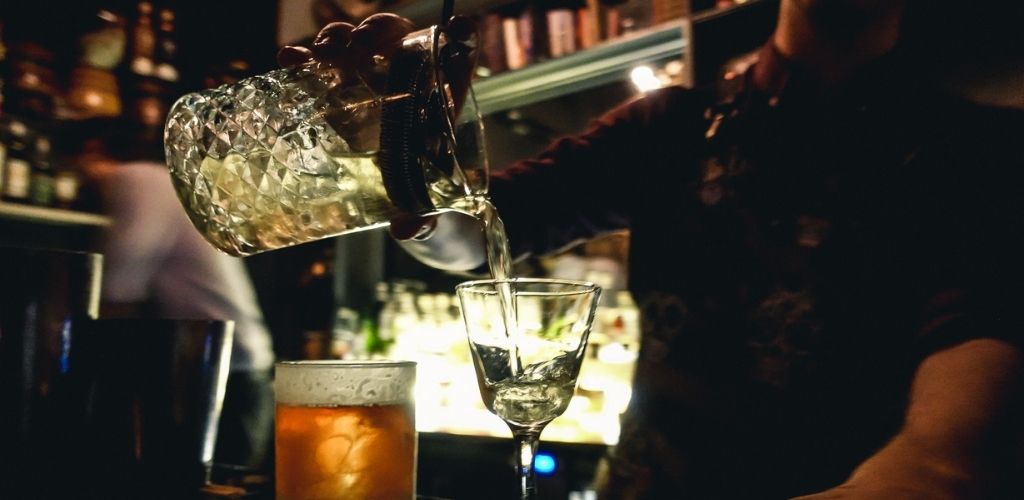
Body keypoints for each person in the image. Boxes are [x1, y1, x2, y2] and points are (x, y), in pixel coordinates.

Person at [281, 1, 1024, 498]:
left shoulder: (981, 160)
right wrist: (405, 161)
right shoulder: (670, 129)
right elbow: (476, 236)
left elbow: (949, 463)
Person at [77, 122, 277, 471]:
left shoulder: (140, 180)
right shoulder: (163, 184)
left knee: (212, 485)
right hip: (226, 366)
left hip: (230, 373)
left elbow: (118, 285)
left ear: (92, 152)